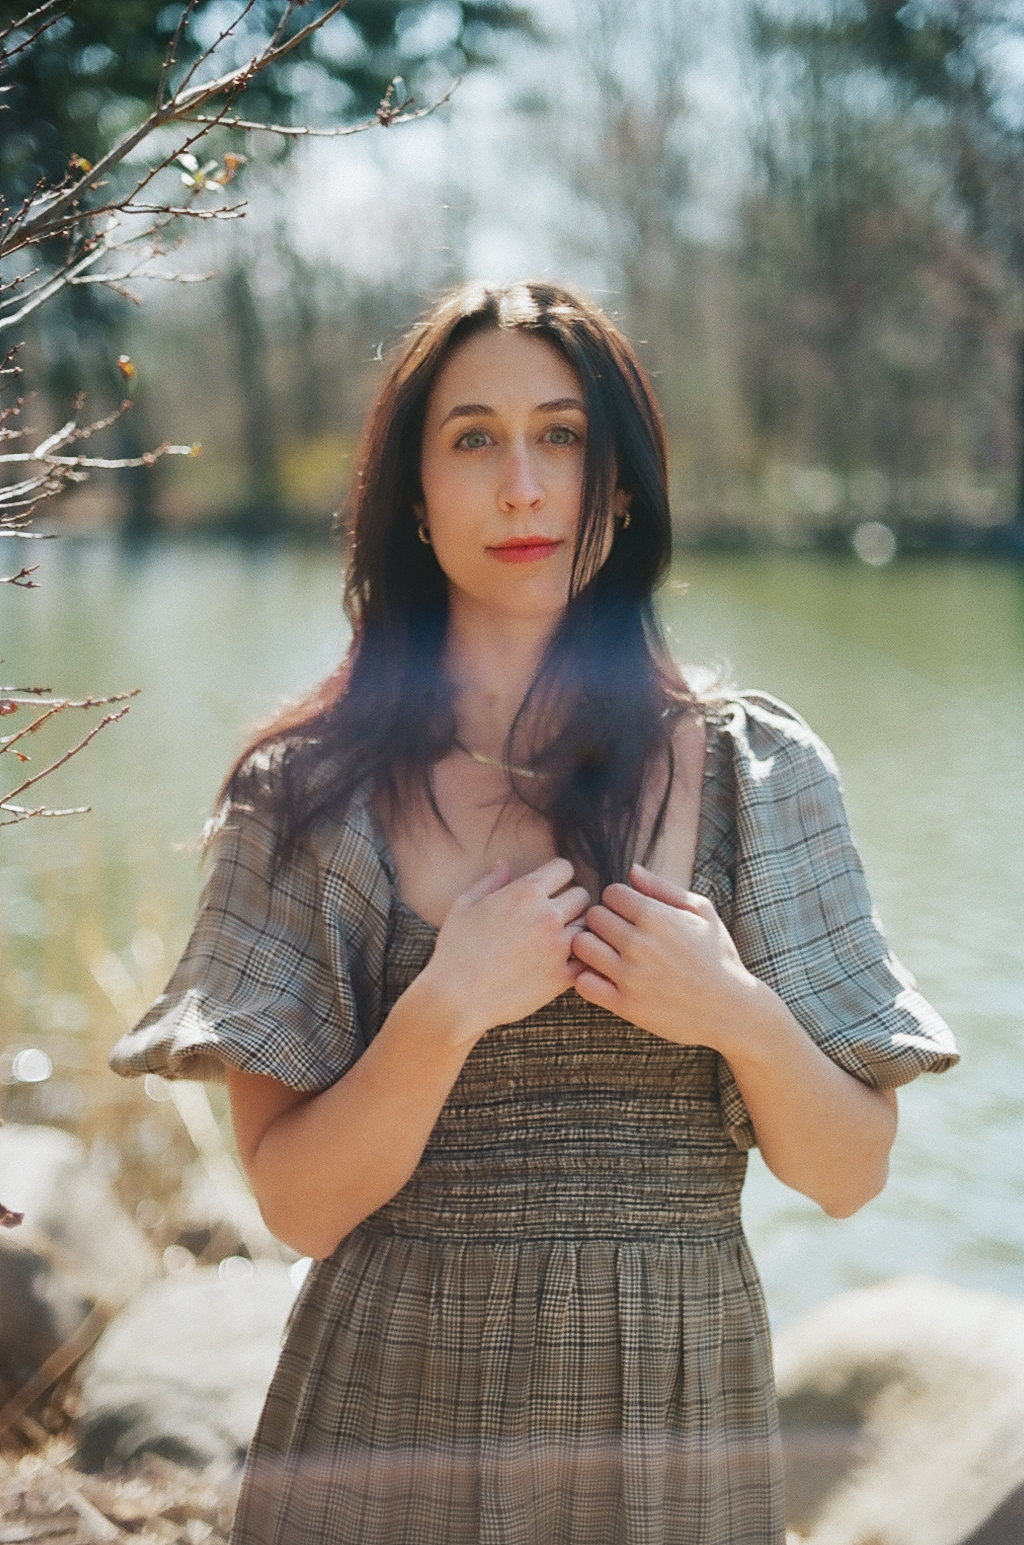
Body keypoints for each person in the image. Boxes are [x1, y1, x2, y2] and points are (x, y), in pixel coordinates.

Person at [110, 280, 958, 1545]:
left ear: (621, 485)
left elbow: (847, 1175)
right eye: (473, 440)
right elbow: (297, 1207)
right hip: (387, 1423)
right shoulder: (306, 797)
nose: (522, 487)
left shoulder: (758, 776)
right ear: (412, 493)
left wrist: (734, 1013)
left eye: (561, 435)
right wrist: (445, 1008)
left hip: (674, 1429)